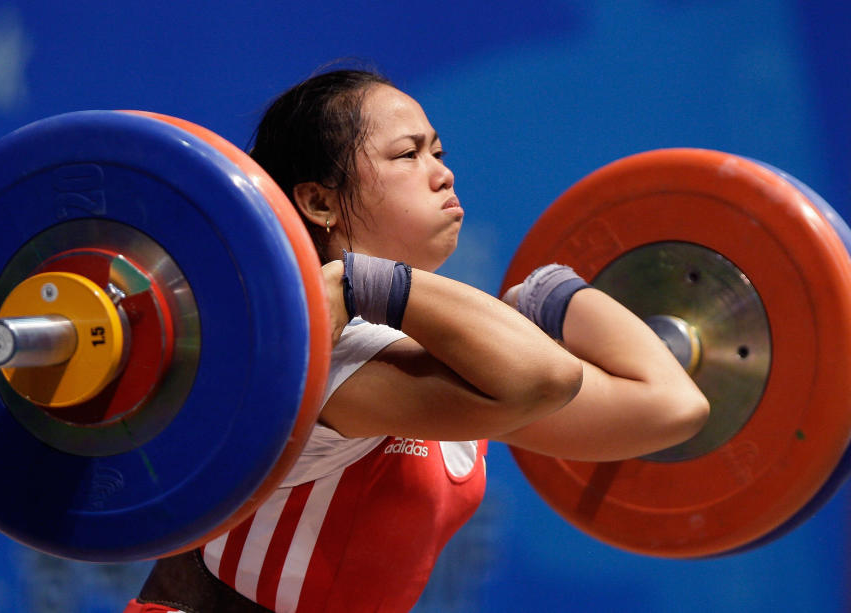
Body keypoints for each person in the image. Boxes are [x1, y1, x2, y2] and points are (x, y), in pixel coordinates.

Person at [125, 68, 709, 613]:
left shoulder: (454, 371)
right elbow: (546, 378)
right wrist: (360, 279)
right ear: (319, 202)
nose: (443, 173)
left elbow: (670, 408)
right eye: (407, 154)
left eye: (438, 151)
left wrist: (551, 296)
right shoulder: (311, 351)